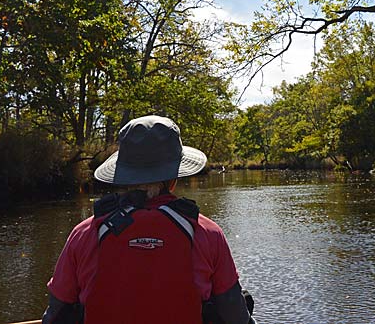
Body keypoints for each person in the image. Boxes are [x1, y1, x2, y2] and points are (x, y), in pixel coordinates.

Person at [42, 115, 255, 324]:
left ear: (123, 177)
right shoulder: (207, 232)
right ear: (173, 179)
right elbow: (235, 316)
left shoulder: (85, 233)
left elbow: (56, 314)